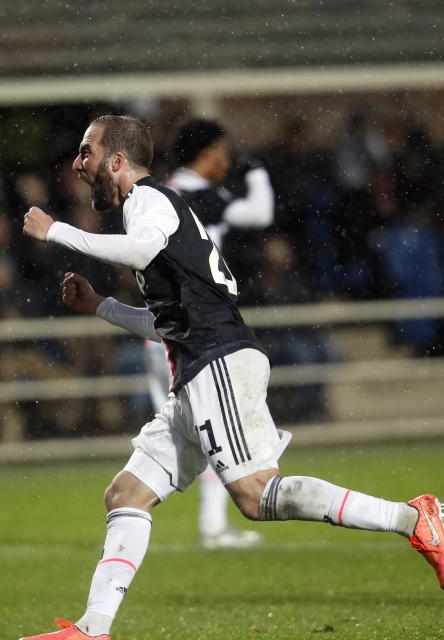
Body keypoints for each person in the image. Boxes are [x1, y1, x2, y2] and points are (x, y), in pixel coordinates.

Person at [19, 114, 444, 640]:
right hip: (197, 368)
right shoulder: (154, 209)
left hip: (218, 362)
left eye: (85, 152)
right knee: (126, 494)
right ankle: (92, 629)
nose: (77, 164)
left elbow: (139, 252)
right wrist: (100, 305)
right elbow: (166, 325)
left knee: (255, 496)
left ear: (116, 162)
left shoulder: (151, 202)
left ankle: (412, 519)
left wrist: (57, 232)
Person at [149, 117, 274, 549]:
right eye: (223, 151)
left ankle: (139, 506)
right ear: (204, 154)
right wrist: (257, 168)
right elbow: (262, 212)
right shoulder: (196, 196)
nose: (229, 160)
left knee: (184, 428)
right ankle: (208, 524)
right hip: (190, 328)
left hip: (162, 323)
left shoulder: (164, 193)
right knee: (205, 426)